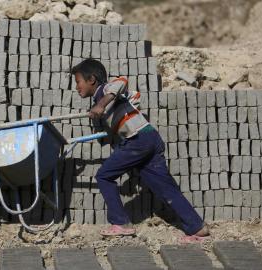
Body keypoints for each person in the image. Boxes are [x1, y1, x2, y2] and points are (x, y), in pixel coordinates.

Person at [71, 58, 209, 243]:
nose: (77, 87)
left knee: (104, 176)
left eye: (78, 82)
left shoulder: (104, 91)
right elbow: (106, 135)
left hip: (138, 140)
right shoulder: (98, 102)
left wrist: (102, 104)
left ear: (92, 80)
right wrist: (96, 120)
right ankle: (197, 227)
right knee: (164, 187)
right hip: (149, 139)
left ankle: (121, 223)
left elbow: (122, 81)